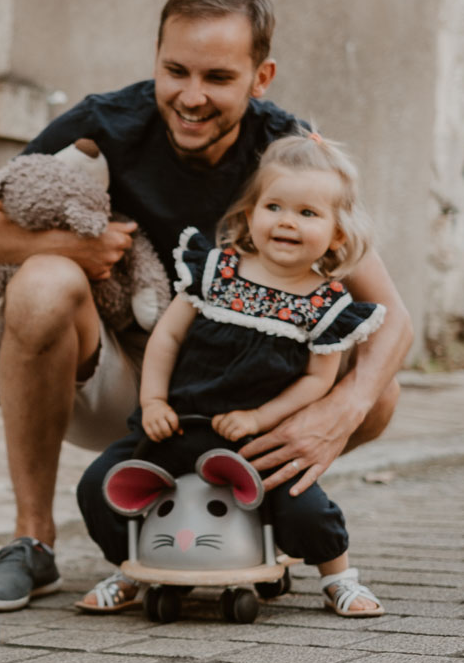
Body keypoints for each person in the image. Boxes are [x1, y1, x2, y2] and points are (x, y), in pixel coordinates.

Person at [0, 0, 412, 611]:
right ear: (156, 61)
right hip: (124, 386)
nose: (191, 97)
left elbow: (393, 317)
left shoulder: (289, 149)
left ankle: (253, 511)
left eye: (218, 78)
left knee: (378, 390)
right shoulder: (106, 122)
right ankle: (32, 542)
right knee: (43, 281)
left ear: (260, 78)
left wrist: (342, 409)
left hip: (240, 407)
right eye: (175, 71)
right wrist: (71, 247)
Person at [77, 131, 386, 616]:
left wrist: (261, 418)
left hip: (255, 440)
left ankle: (338, 577)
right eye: (275, 207)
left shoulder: (325, 305)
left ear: (337, 234)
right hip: (177, 426)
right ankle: (129, 565)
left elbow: (316, 381)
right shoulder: (215, 272)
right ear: (250, 214)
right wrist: (155, 401)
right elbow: (168, 337)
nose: (287, 222)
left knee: (303, 505)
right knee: (101, 485)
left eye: (308, 214)